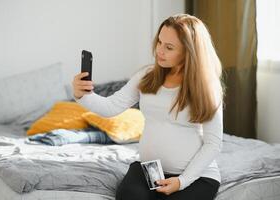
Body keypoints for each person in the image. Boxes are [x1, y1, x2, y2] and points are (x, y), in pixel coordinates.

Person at [72, 14, 223, 200]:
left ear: (189, 52)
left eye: (169, 47)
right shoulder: (147, 76)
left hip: (197, 177)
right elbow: (111, 107)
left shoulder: (207, 86)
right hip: (150, 169)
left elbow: (213, 143)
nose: (159, 51)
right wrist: (82, 95)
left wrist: (182, 181)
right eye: (159, 42)